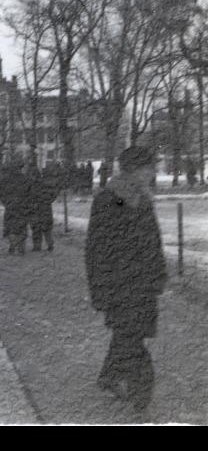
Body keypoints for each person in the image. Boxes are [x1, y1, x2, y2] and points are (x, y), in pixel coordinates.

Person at [85, 146, 167, 414]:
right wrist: (99, 288)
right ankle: (141, 390)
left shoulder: (142, 198)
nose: (153, 173)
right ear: (135, 170)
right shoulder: (109, 200)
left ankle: (109, 377)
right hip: (120, 284)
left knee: (128, 334)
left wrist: (158, 274)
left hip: (142, 283)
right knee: (132, 337)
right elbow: (96, 248)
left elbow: (151, 242)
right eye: (149, 168)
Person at [0, 163, 31, 255]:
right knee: (22, 227)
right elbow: (31, 193)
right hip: (22, 207)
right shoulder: (26, 179)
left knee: (11, 227)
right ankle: (21, 248)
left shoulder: (6, 180)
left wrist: (6, 203)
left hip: (11, 207)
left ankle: (13, 245)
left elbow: (0, 193)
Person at [28, 167, 56, 252]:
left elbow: (30, 196)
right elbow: (53, 195)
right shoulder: (46, 184)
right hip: (44, 209)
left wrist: (39, 202)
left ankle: (38, 246)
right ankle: (48, 244)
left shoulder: (34, 185)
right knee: (45, 228)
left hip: (38, 208)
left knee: (38, 228)